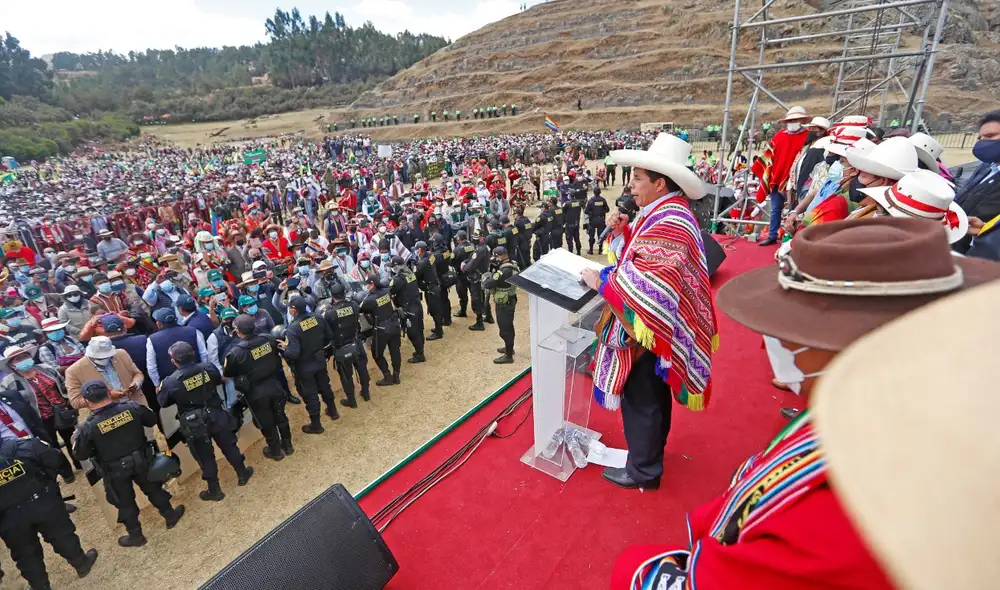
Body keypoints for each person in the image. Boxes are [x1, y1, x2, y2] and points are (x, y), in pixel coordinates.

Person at [614, 218, 1000, 590]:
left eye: (793, 329)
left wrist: (634, 566)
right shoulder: (886, 416)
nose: (769, 344)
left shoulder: (844, 514)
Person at [580, 133, 717, 490]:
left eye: (638, 177)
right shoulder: (664, 211)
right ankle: (651, 454)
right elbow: (642, 262)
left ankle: (643, 469)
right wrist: (624, 233)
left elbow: (649, 288)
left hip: (651, 329)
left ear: (659, 183)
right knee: (652, 395)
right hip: (662, 329)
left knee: (642, 397)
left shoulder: (669, 221)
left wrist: (602, 283)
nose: (630, 183)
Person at [73, 380, 186, 548]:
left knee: (124, 502)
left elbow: (81, 454)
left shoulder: (87, 428)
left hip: (114, 470)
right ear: (109, 392)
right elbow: (151, 419)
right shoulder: (130, 407)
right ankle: (170, 516)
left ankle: (136, 536)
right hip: (142, 459)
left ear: (86, 401)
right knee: (154, 489)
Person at [158, 342, 253, 502]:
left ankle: (214, 490)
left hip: (194, 422)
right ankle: (242, 473)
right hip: (216, 413)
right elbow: (217, 380)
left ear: (174, 361)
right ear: (193, 354)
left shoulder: (170, 382)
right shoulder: (208, 368)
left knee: (204, 456)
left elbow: (163, 402)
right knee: (229, 446)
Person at [0, 436, 99, 590]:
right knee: (61, 535)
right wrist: (49, 485)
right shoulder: (26, 445)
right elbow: (55, 460)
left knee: (25, 553)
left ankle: (40, 586)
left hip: (8, 517)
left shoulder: (25, 445)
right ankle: (81, 563)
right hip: (42, 501)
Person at [1, 345, 82, 475]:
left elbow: (63, 384)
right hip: (40, 419)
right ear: (11, 365)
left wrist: (68, 401)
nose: (23, 359)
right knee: (51, 446)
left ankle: (80, 464)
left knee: (72, 439)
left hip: (62, 412)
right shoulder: (9, 383)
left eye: (25, 356)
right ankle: (65, 472)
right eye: (18, 358)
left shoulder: (47, 369)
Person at [224, 315, 294, 460]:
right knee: (280, 415)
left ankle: (275, 451)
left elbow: (228, 373)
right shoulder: (268, 339)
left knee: (266, 422)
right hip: (275, 384)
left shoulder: (235, 353)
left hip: (255, 392)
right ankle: (288, 446)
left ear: (238, 331)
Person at [755, 106, 813, 245]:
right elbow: (768, 157)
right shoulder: (780, 136)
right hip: (777, 178)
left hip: (796, 182)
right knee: (775, 209)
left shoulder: (808, 136)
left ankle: (792, 238)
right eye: (791, 120)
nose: (793, 122)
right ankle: (772, 235)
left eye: (796, 120)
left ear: (803, 120)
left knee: (794, 211)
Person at [282, 296, 337, 433]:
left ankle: (316, 426)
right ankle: (333, 411)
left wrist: (285, 348)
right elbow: (329, 336)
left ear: (294, 310)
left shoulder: (293, 329)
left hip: (304, 366)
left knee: (311, 394)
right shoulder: (318, 317)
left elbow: (293, 354)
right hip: (319, 359)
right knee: (325, 386)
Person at [321, 282, 371, 407]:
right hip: (356, 343)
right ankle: (366, 393)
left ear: (332, 295)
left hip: (341, 348)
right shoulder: (354, 305)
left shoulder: (329, 313)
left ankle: (351, 401)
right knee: (362, 369)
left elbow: (327, 332)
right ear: (344, 293)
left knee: (346, 376)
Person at [65, 336, 146, 411]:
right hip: (108, 415)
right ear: (90, 355)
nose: (105, 359)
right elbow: (75, 402)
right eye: (100, 358)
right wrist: (107, 396)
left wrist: (136, 384)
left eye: (108, 356)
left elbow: (137, 374)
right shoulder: (73, 371)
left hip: (137, 406)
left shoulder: (121, 354)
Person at [145, 308, 208, 388]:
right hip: (198, 378)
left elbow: (151, 367)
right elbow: (204, 354)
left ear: (158, 324)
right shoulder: (193, 331)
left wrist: (157, 385)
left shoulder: (152, 340)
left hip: (173, 385)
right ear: (176, 319)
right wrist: (204, 371)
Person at [359, 275, 403, 386]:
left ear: (372, 284)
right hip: (394, 324)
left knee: (376, 353)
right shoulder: (387, 291)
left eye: (368, 284)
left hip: (382, 329)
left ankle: (387, 376)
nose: (366, 286)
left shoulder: (369, 299)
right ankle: (396, 376)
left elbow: (360, 308)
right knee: (395, 350)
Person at [481, 246, 519, 364]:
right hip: (510, 299)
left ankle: (508, 356)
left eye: (496, 256)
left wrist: (488, 277)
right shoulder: (512, 263)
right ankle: (509, 348)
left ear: (501, 255)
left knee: (504, 329)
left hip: (504, 303)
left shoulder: (503, 271)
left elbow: (488, 284)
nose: (494, 258)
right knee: (509, 326)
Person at [388, 255, 426, 363]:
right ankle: (420, 349)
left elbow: (390, 291)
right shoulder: (410, 273)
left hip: (408, 308)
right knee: (419, 328)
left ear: (396, 267)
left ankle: (420, 354)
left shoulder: (398, 279)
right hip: (417, 304)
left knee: (412, 332)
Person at [413, 241, 445, 340]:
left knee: (435, 311)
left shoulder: (423, 262)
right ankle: (438, 328)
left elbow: (416, 274)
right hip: (435, 285)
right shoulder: (431, 256)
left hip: (431, 289)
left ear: (419, 250)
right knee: (437, 310)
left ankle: (439, 332)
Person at [585, 187, 610, 255]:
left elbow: (586, 211)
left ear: (593, 192)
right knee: (601, 235)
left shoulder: (591, 201)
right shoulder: (603, 200)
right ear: (600, 192)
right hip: (601, 220)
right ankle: (600, 250)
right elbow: (607, 210)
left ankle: (591, 250)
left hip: (593, 220)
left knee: (591, 235)